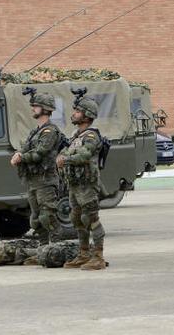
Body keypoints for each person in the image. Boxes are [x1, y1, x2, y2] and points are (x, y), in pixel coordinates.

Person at [11, 92, 63, 265]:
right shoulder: (36, 131)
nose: (32, 108)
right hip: (33, 181)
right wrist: (19, 153)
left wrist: (21, 158)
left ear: (45, 109)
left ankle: (56, 249)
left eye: (36, 105)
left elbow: (40, 152)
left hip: (46, 181)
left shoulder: (50, 131)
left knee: (48, 216)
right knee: (36, 218)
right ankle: (43, 249)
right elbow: (25, 148)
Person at [57, 96, 107, 270]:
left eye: (77, 111)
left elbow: (85, 155)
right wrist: (61, 156)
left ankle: (98, 257)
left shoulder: (91, 136)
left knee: (91, 219)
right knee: (76, 219)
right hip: (75, 184)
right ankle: (84, 253)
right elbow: (64, 151)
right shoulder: (75, 135)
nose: (74, 114)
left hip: (87, 185)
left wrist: (66, 159)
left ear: (87, 115)